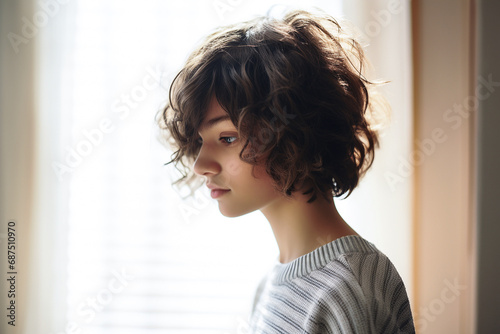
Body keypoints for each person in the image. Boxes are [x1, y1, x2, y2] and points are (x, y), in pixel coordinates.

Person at [159, 8, 415, 333]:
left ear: (293, 131)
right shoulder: (270, 288)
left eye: (227, 137)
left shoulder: (349, 288)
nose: (200, 165)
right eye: (199, 141)